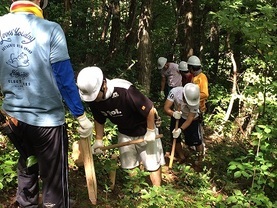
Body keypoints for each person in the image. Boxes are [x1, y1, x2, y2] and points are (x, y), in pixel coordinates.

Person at [0, 0, 93, 207]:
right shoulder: (50, 29)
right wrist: (80, 115)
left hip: (13, 119)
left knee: (27, 166)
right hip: (47, 121)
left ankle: (27, 204)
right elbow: (64, 78)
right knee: (54, 181)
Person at [77, 66, 165, 186]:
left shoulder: (125, 91)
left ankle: (157, 192)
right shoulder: (93, 100)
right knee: (129, 166)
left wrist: (150, 131)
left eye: (96, 95)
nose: (95, 99)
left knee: (152, 164)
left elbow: (150, 109)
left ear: (103, 85)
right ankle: (135, 193)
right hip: (124, 132)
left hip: (144, 130)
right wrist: (98, 140)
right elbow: (99, 119)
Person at [164, 83, 204, 167]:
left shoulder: (195, 100)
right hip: (177, 115)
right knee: (175, 136)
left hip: (192, 119)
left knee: (195, 140)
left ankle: (199, 161)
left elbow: (190, 119)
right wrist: (173, 114)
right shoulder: (174, 92)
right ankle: (181, 156)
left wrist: (180, 129)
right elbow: (166, 108)